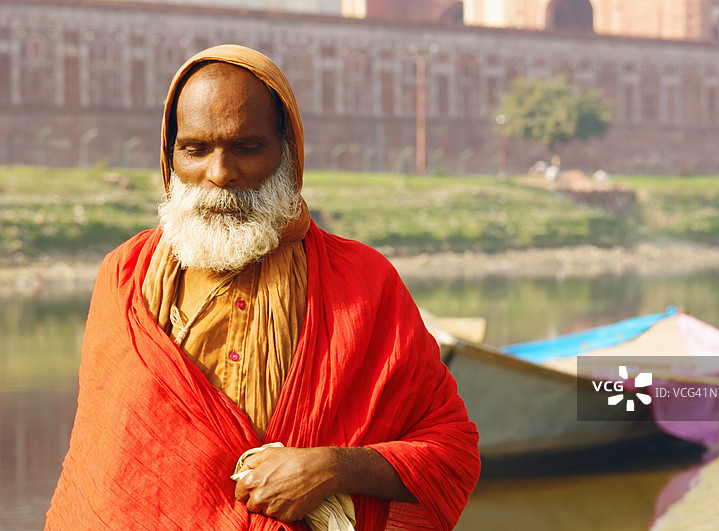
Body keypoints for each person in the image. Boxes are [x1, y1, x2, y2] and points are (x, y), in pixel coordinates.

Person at [46, 45, 480, 530]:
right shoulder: (126, 277)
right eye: (195, 149)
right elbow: (104, 473)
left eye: (247, 147)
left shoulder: (362, 281)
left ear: (288, 154)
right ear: (170, 159)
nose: (220, 173)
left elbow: (450, 451)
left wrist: (331, 468)